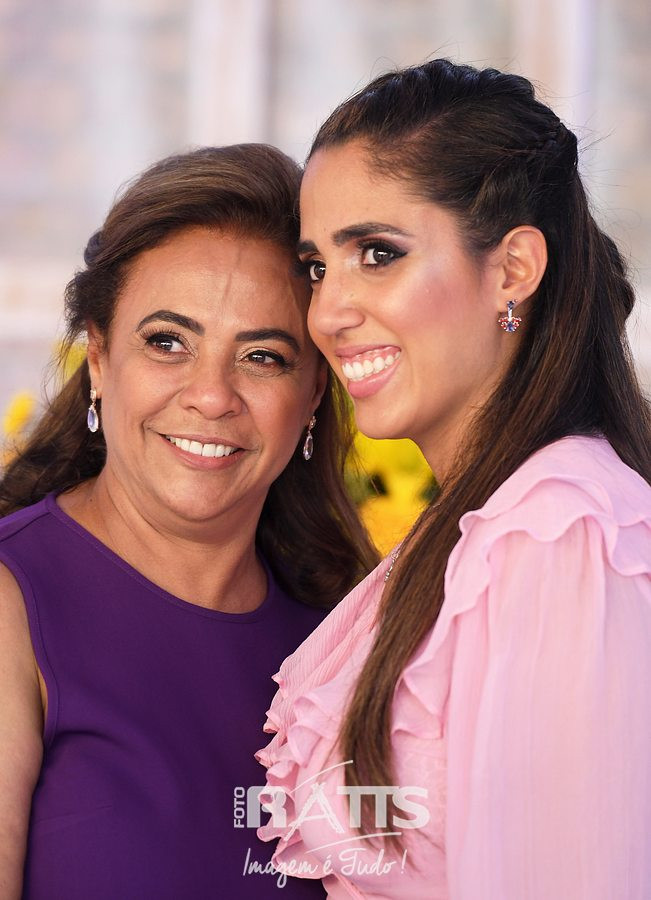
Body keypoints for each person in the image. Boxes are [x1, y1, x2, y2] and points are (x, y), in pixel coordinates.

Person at [256, 60, 651, 898]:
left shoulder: (557, 533)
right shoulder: (482, 529)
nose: (327, 312)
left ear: (512, 270)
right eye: (318, 266)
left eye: (377, 253)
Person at [0, 143, 378, 899]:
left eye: (263, 356)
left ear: (313, 394)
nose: (211, 395)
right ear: (98, 360)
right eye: (168, 342)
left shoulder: (349, 636)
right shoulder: (14, 601)